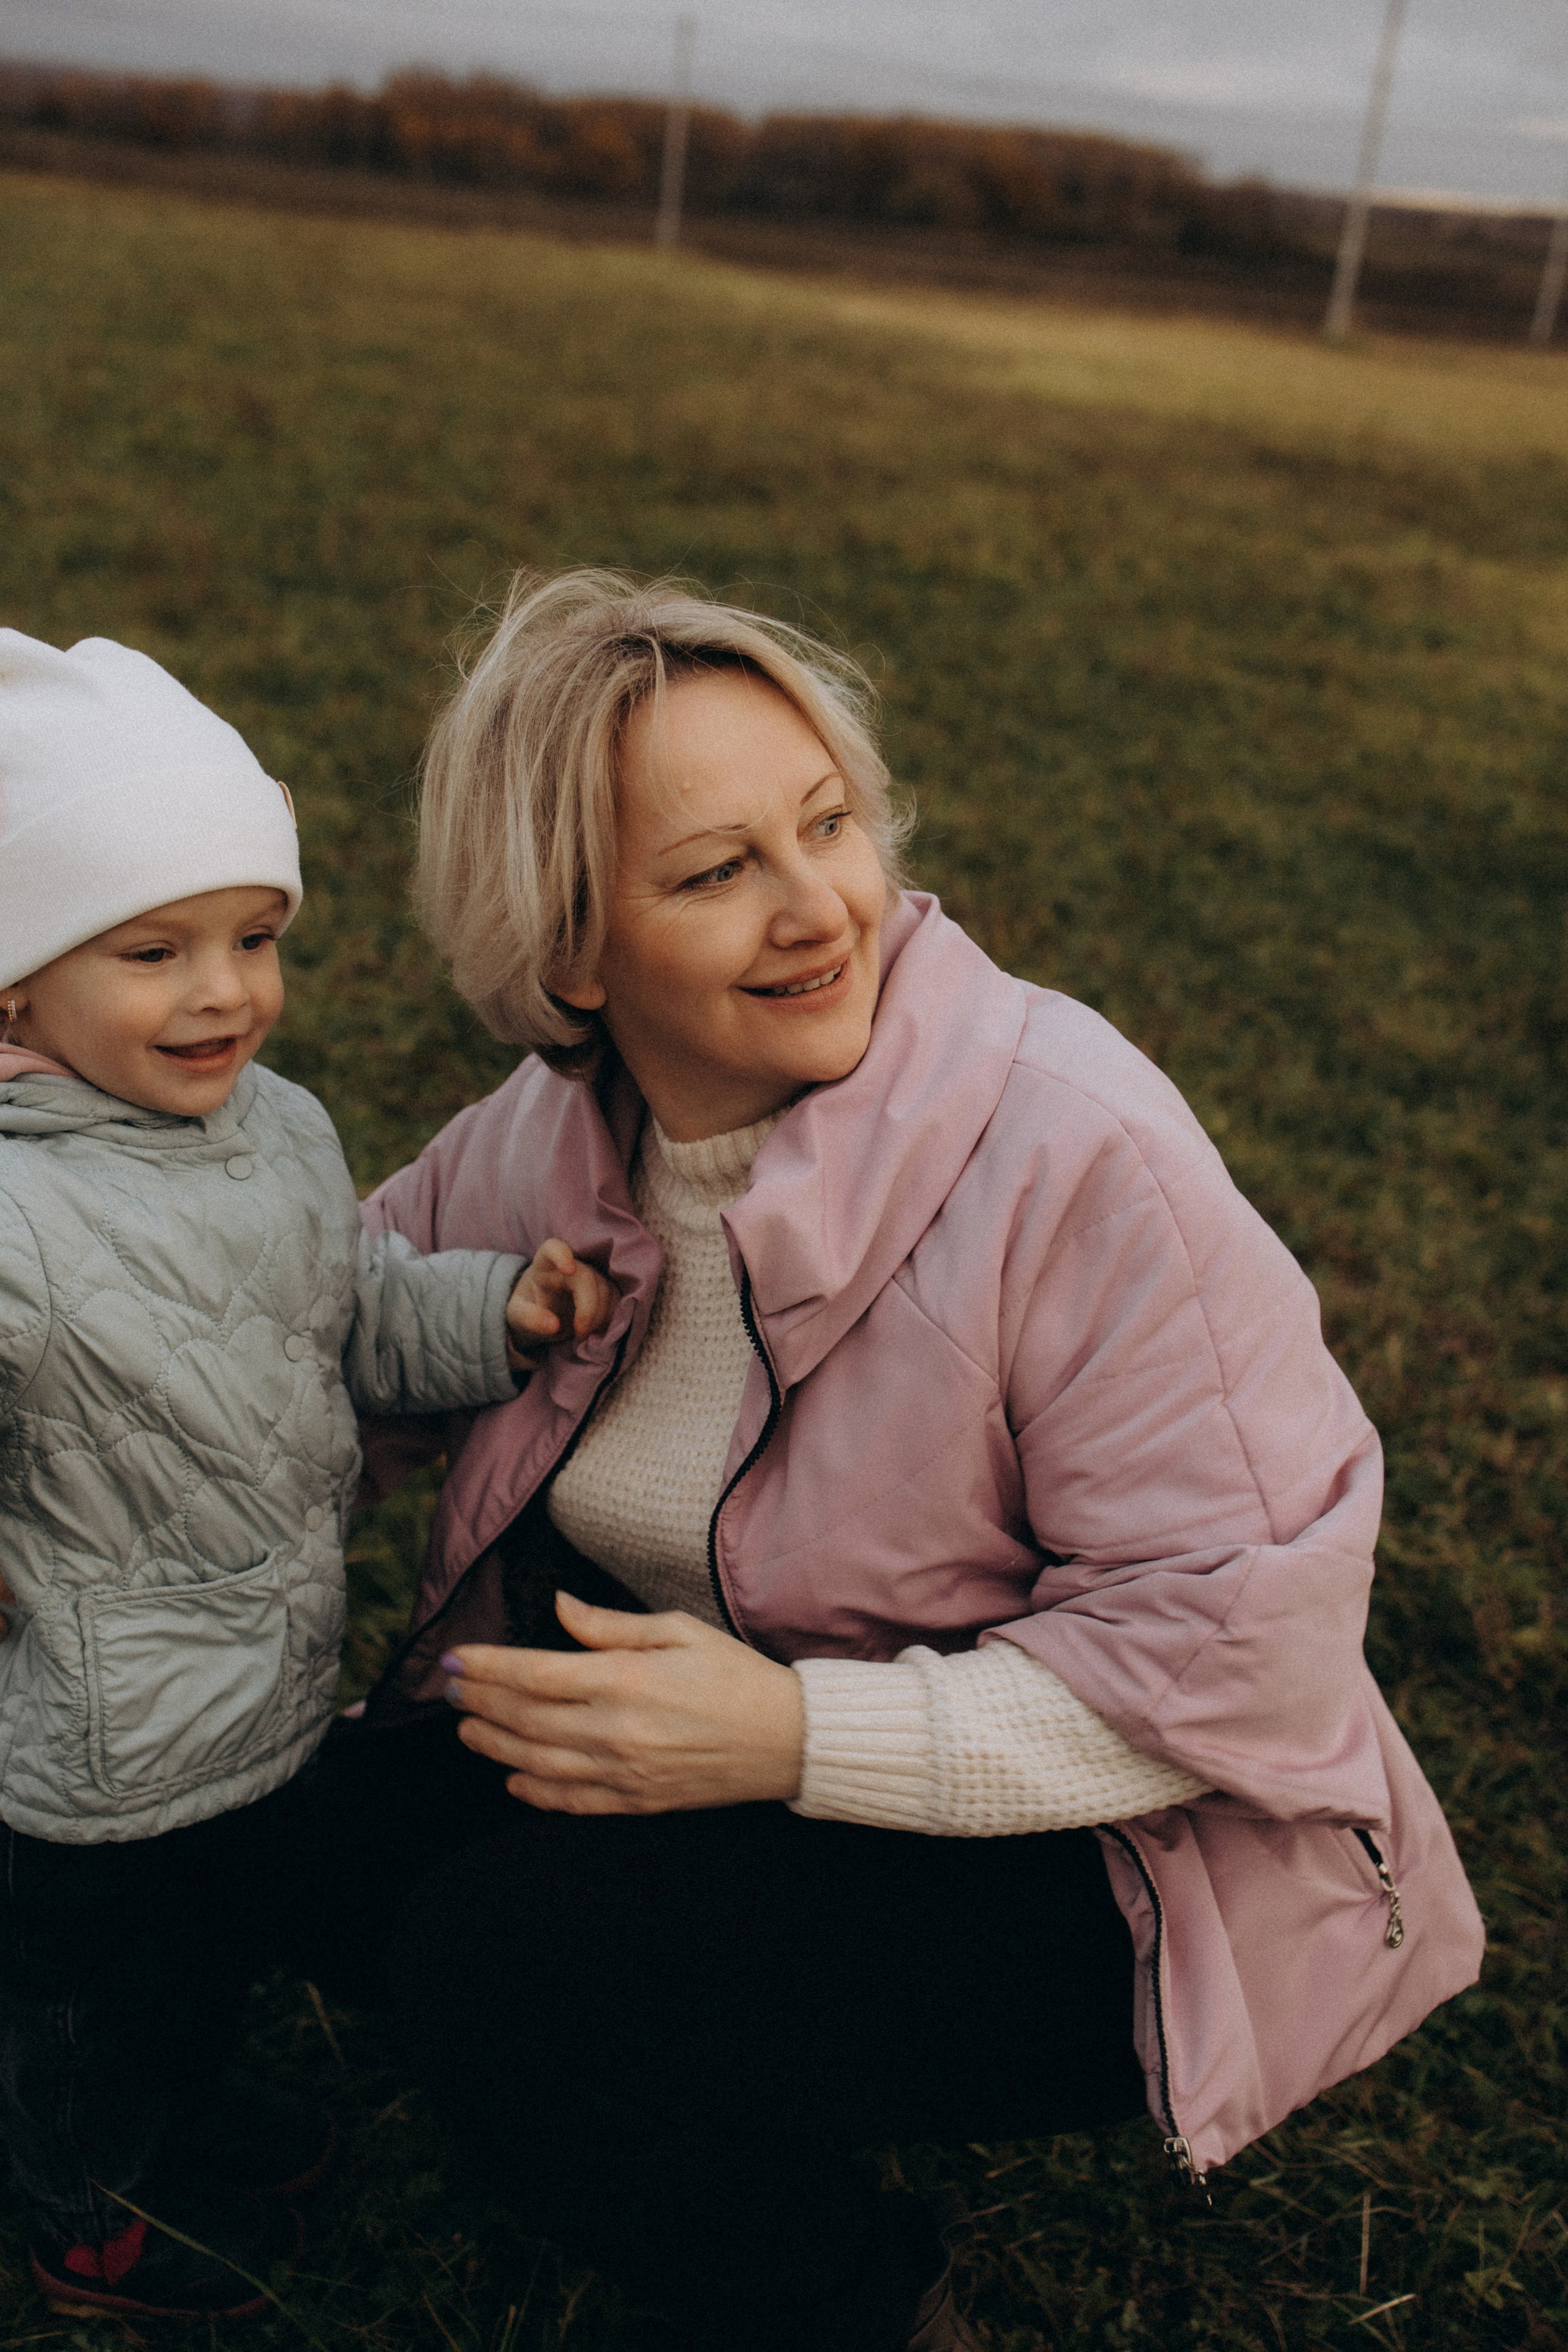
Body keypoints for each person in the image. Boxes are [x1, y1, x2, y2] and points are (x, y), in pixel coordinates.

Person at [330, 569, 1484, 2352]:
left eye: (831, 825)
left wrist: (787, 1738)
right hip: (748, 1727)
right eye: (716, 873)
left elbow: (1248, 1657)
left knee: (509, 1979)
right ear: (571, 953)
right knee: (314, 1851)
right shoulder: (552, 1139)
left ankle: (852, 2304)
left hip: (1133, 1854)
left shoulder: (1078, 1151)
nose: (820, 911)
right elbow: (327, 1353)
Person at [0, 631, 616, 2323]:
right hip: (87, 1731)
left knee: (211, 1956)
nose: (225, 992)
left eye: (254, 938)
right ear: (11, 989)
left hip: (268, 1675)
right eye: (152, 950)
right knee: (80, 1997)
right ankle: (84, 2207)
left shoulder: (277, 1131)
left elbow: (341, 1316)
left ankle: (184, 2111)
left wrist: (488, 1312)